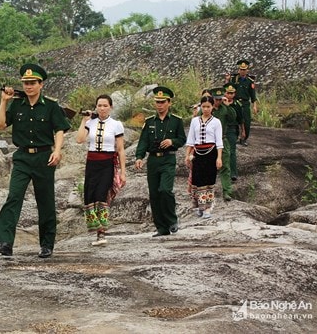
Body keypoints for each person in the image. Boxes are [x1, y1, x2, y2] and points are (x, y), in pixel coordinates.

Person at [0, 63, 71, 258]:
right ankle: (5, 242)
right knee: (14, 196)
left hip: (44, 157)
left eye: (32, 83)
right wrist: (4, 102)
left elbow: (60, 129)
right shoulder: (17, 104)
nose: (28, 86)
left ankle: (47, 244)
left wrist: (57, 151)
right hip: (23, 157)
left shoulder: (51, 106)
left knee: (45, 201)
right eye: (25, 83)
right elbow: (1, 125)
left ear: (41, 84)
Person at [134, 86, 186, 237]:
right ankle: (161, 228)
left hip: (168, 159)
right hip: (153, 161)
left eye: (163, 102)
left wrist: (172, 141)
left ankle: (172, 221)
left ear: (169, 103)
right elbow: (143, 141)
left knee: (165, 190)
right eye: (157, 102)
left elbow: (182, 139)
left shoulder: (176, 121)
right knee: (154, 194)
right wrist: (139, 157)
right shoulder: (150, 121)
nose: (159, 105)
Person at [76, 94, 127, 246]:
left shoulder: (116, 124)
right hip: (92, 163)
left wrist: (123, 172)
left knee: (102, 195)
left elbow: (120, 149)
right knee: (89, 195)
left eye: (105, 105)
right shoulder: (90, 122)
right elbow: (79, 140)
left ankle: (101, 233)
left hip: (107, 163)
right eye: (99, 105)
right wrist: (84, 120)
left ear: (111, 107)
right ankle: (96, 229)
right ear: (96, 107)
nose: (102, 108)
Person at [185, 95, 223, 218]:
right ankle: (199, 206)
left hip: (211, 153)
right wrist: (187, 155)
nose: (206, 109)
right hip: (198, 153)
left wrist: (219, 158)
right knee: (198, 180)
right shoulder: (195, 121)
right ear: (200, 107)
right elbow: (191, 140)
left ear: (212, 107)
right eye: (204, 106)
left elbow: (219, 142)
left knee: (209, 180)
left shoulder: (216, 122)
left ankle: (207, 208)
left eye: (208, 106)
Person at [211, 87, 236, 201]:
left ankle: (227, 191)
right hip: (209, 141)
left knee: (225, 166)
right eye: (216, 99)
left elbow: (233, 118)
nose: (218, 101)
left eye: (220, 99)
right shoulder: (207, 108)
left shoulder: (224, 108)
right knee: (208, 166)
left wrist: (228, 106)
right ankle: (207, 191)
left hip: (222, 139)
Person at [225, 59, 258, 146]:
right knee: (235, 120)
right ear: (238, 70)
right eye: (241, 69)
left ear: (247, 70)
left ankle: (244, 139)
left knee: (246, 121)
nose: (242, 71)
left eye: (244, 69)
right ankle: (235, 137)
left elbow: (253, 95)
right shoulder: (234, 79)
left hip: (245, 103)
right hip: (235, 102)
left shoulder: (250, 81)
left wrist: (254, 106)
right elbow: (227, 89)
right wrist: (227, 80)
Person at [223, 83, 245, 182]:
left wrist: (243, 131)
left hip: (232, 129)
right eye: (228, 93)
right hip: (221, 129)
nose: (230, 95)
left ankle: (233, 173)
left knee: (231, 151)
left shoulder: (237, 105)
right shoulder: (220, 103)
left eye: (232, 93)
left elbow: (241, 119)